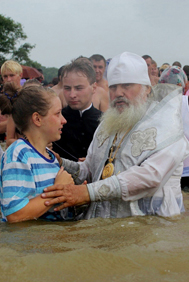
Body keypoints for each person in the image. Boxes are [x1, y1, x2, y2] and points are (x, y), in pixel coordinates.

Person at [42, 51, 189, 219]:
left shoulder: (167, 128)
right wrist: (60, 161)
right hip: (103, 231)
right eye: (113, 87)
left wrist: (87, 192)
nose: (118, 93)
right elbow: (89, 170)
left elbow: (150, 177)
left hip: (151, 232)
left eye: (126, 86)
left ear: (146, 89)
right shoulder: (107, 124)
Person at [0, 83, 73, 223]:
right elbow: (15, 215)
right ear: (37, 119)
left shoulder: (49, 155)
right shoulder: (18, 154)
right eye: (57, 114)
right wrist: (56, 192)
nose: (64, 120)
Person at [53, 57, 102, 161]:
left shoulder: (105, 122)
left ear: (93, 88)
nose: (72, 95)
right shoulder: (54, 120)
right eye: (67, 88)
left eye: (79, 88)